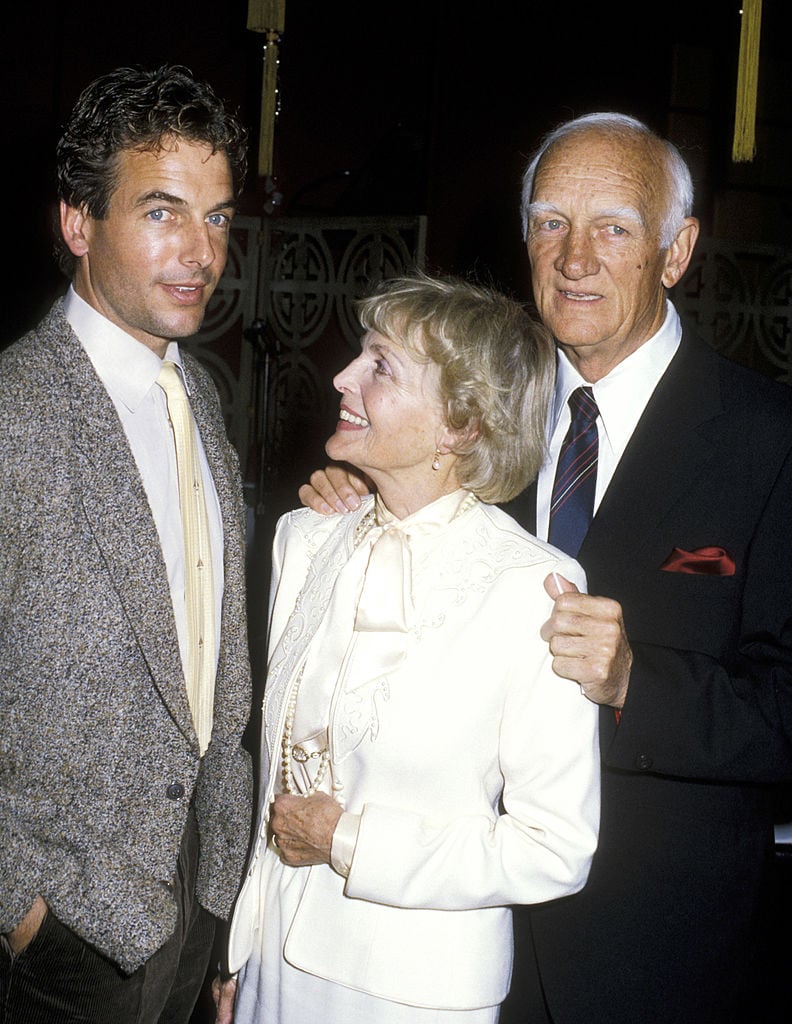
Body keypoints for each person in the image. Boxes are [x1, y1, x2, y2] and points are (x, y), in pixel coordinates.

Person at [299, 113, 792, 1024]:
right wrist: (361, 498)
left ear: (676, 251)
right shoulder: (473, 419)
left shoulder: (768, 439)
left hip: (648, 957)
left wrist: (637, 681)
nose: (573, 257)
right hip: (440, 939)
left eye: (613, 227)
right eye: (548, 221)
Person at [215, 274, 600, 1023]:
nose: (342, 377)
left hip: (413, 993)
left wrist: (350, 841)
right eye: (361, 354)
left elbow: (555, 847)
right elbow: (278, 768)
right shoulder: (305, 537)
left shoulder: (535, 586)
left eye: (381, 366)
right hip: (272, 971)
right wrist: (240, 954)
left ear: (460, 423)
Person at [0, 64, 253, 1024]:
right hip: (61, 938)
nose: (200, 252)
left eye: (219, 217)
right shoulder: (16, 411)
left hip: (193, 907)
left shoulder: (204, 401)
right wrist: (25, 911)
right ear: (78, 223)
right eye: (163, 212)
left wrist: (217, 902)